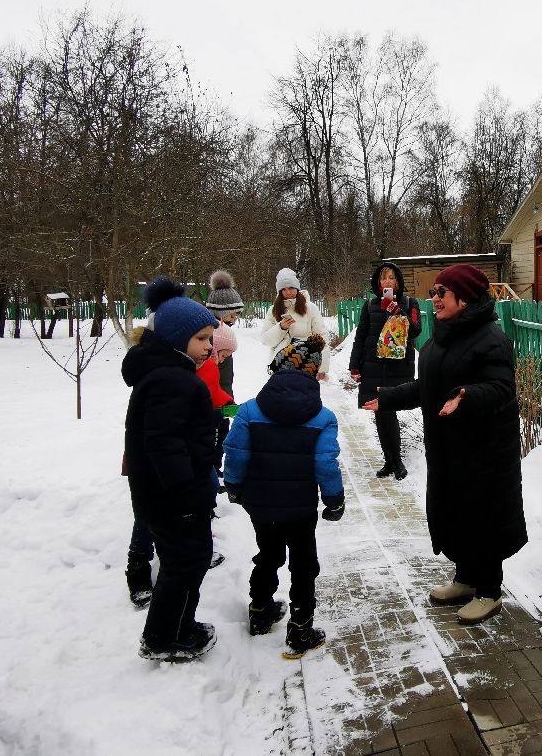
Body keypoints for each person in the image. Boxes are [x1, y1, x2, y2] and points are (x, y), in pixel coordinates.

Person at [363, 264, 526, 625]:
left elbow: (501, 388)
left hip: (483, 448)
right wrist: (388, 398)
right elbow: (428, 387)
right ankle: (465, 580)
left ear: (464, 299)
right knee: (456, 511)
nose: (433, 299)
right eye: (433, 292)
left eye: (441, 293)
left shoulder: (491, 338)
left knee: (482, 515)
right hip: (449, 445)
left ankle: (489, 591)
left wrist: (466, 395)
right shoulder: (442, 335)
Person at [223, 334, 344, 659]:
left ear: (276, 370)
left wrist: (234, 486)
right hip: (301, 508)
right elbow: (325, 464)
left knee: (268, 553)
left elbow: (235, 452)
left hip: (260, 505)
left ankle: (260, 610)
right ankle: (300, 629)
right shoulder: (323, 418)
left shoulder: (249, 411)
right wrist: (334, 501)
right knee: (303, 564)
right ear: (314, 374)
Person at [122, 276, 220, 661]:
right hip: (174, 497)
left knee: (185, 561)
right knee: (185, 564)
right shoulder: (171, 380)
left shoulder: (167, 374)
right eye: (202, 340)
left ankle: (178, 625)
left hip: (166, 495)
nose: (209, 348)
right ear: (178, 339)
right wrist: (187, 496)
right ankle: (166, 637)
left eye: (210, 339)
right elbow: (165, 445)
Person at [348, 262, 422, 480]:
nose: (387, 282)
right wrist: (354, 365)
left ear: (398, 282)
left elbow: (416, 330)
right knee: (380, 412)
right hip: (373, 366)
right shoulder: (370, 305)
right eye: (383, 278)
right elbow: (361, 336)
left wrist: (398, 312)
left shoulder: (410, 303)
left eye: (391, 278)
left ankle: (395, 461)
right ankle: (390, 461)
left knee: (387, 409)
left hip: (397, 366)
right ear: (378, 283)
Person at [260, 268, 330, 381]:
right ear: (280, 291)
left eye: (291, 288)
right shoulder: (273, 310)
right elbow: (266, 340)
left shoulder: (310, 308)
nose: (288, 292)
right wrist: (281, 328)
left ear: (297, 288)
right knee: (282, 397)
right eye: (284, 289)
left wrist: (322, 367)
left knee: (305, 397)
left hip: (307, 363)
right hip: (281, 364)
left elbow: (321, 337)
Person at [205, 270, 244, 398]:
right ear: (219, 312)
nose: (234, 319)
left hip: (221, 399)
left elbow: (226, 380)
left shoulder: (225, 335)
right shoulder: (209, 338)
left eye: (237, 315)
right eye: (231, 314)